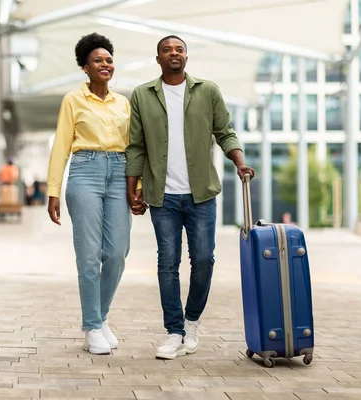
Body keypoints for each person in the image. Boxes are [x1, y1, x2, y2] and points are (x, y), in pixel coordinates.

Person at [126, 35, 255, 360]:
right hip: (161, 195)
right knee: (167, 264)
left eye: (179, 49)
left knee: (203, 260)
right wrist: (133, 187)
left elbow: (224, 131)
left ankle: (192, 321)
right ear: (158, 58)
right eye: (167, 50)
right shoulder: (142, 95)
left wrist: (239, 162)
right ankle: (174, 331)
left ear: (187, 57)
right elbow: (136, 145)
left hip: (201, 195)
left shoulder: (207, 91)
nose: (173, 53)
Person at [46, 32, 145, 355]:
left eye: (109, 60)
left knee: (116, 253)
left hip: (119, 173)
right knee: (89, 257)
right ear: (85, 68)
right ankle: (92, 327)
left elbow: (134, 147)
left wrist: (137, 187)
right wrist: (53, 190)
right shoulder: (72, 101)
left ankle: (99, 318)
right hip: (85, 171)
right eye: (98, 60)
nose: (105, 64)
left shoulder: (123, 103)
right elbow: (61, 145)